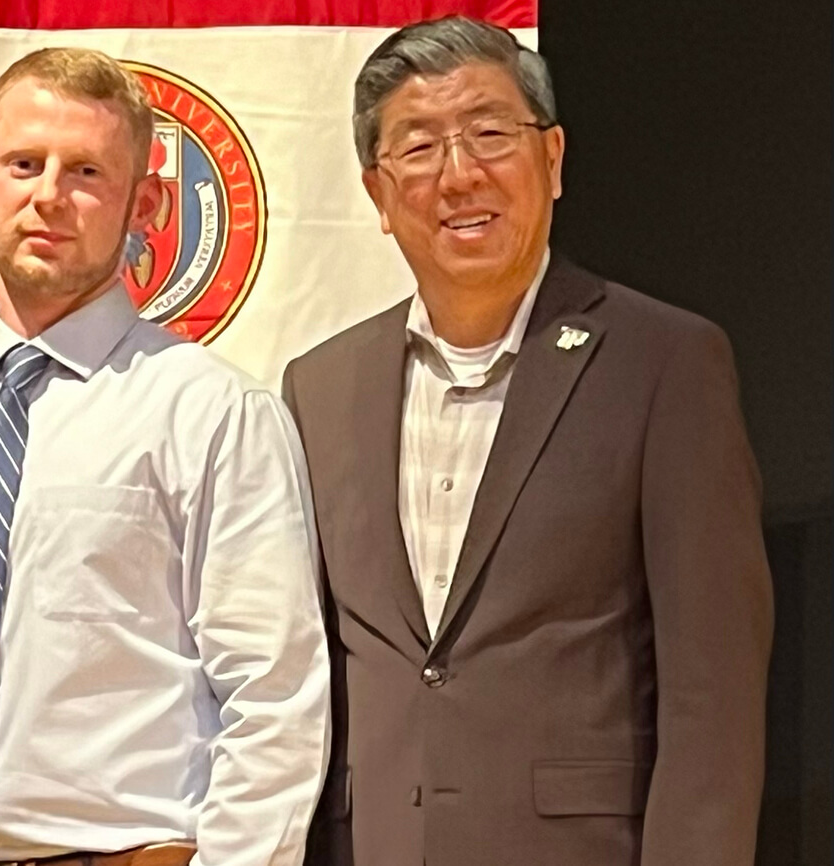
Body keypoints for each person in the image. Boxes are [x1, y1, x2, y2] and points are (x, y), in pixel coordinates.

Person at [281, 16, 774, 866]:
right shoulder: (317, 386)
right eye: (420, 146)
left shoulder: (665, 361)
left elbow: (715, 693)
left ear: (551, 161)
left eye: (488, 134)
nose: (459, 174)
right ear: (378, 195)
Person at [0, 48, 329, 866]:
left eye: (86, 171)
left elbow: (276, 695)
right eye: (23, 164)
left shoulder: (212, 412)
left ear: (143, 202)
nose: (49, 195)